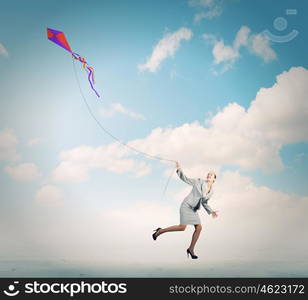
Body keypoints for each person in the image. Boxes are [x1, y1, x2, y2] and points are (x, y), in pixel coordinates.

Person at [152, 161, 218, 259]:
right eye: (208, 174)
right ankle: (159, 231)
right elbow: (185, 179)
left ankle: (191, 249)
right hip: (186, 205)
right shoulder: (199, 181)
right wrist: (179, 170)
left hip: (194, 210)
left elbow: (204, 202)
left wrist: (211, 211)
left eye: (211, 175)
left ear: (214, 179)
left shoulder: (211, 192)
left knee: (199, 228)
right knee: (182, 227)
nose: (209, 175)